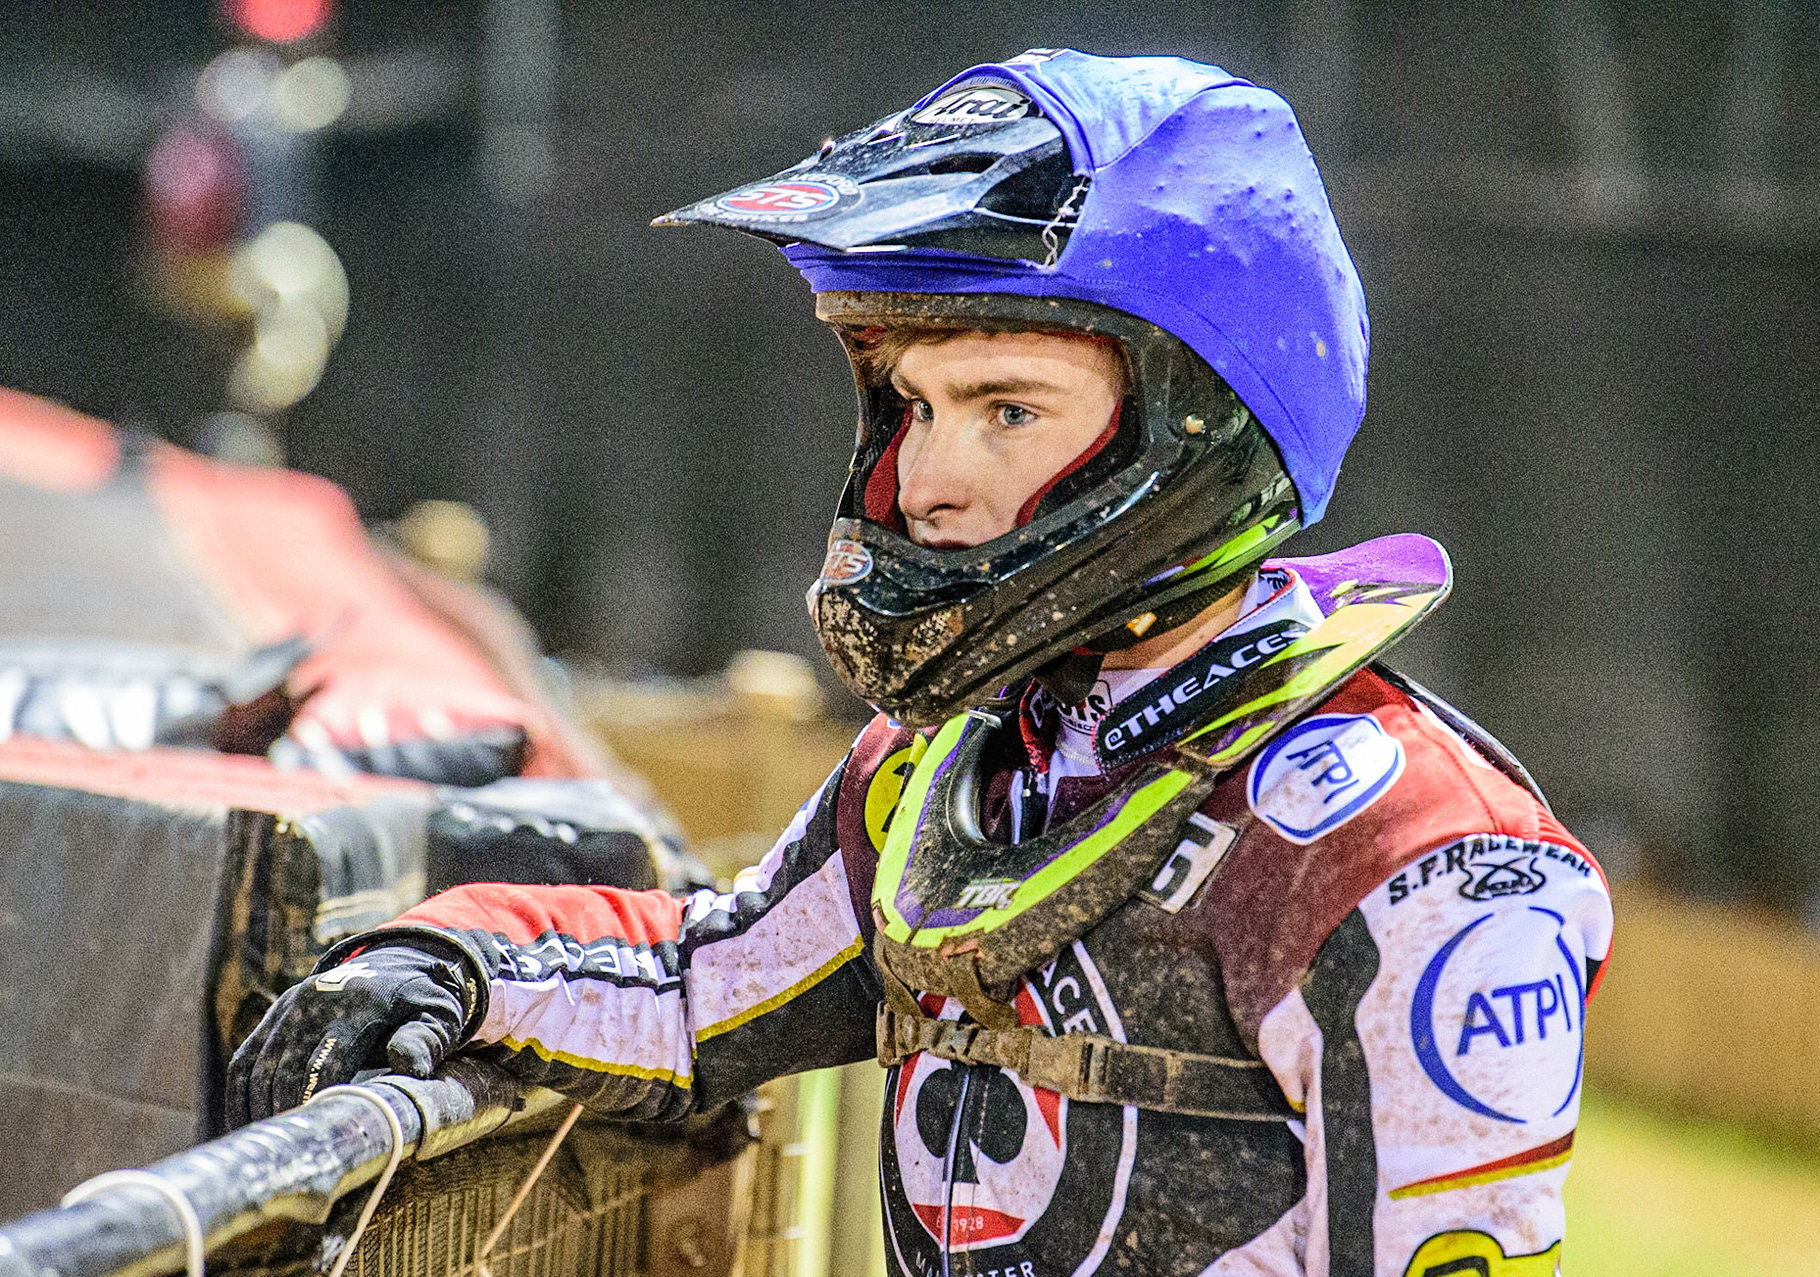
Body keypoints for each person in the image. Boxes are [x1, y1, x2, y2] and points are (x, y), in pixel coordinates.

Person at [228, 51, 1613, 1277]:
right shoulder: (961, 768)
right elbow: (712, 987)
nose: (932, 477)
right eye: (915, 405)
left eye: (1008, 408)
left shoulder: (1412, 856)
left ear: (1199, 424)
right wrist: (446, 957)